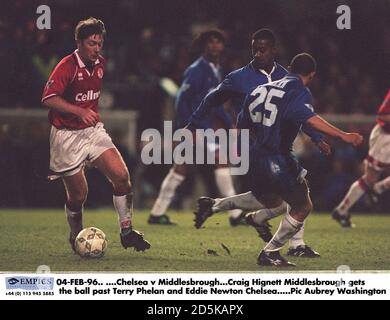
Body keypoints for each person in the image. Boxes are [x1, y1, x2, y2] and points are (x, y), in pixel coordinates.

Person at [189, 29, 330, 257]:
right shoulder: (238, 78)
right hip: (256, 147)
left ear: (275, 50)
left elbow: (299, 112)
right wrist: (193, 123)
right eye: (254, 48)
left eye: (262, 49)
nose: (257, 53)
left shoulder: (287, 77)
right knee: (295, 193)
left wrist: (316, 137)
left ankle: (217, 206)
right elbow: (212, 98)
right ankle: (295, 244)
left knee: (272, 198)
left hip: (280, 146)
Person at [235, 53, 362, 266]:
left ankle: (259, 221)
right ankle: (271, 251)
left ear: (289, 68)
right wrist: (343, 135)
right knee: (303, 205)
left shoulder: (261, 88)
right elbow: (309, 118)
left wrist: (262, 142)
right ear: (311, 75)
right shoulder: (299, 90)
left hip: (255, 157)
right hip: (277, 157)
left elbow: (242, 123)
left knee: (291, 195)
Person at [41, 17, 150, 252]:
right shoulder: (67, 65)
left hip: (92, 132)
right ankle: (76, 235)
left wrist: (88, 115)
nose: (97, 48)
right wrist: (79, 111)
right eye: (92, 43)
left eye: (100, 43)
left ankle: (127, 232)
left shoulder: (100, 63)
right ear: (79, 43)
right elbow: (48, 98)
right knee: (79, 196)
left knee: (121, 177)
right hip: (66, 136)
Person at [148, 30, 244, 226]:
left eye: (218, 42)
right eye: (211, 42)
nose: (215, 46)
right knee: (221, 161)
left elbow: (215, 104)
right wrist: (188, 128)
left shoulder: (216, 70)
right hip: (197, 128)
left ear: (223, 46)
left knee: (179, 170)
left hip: (203, 127)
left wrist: (230, 125)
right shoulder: (196, 70)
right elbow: (181, 101)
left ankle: (157, 213)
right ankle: (236, 215)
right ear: (204, 46)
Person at [332, 90, 390, 227]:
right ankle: (341, 210)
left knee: (371, 179)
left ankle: (379, 188)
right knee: (370, 178)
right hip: (386, 137)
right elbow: (383, 114)